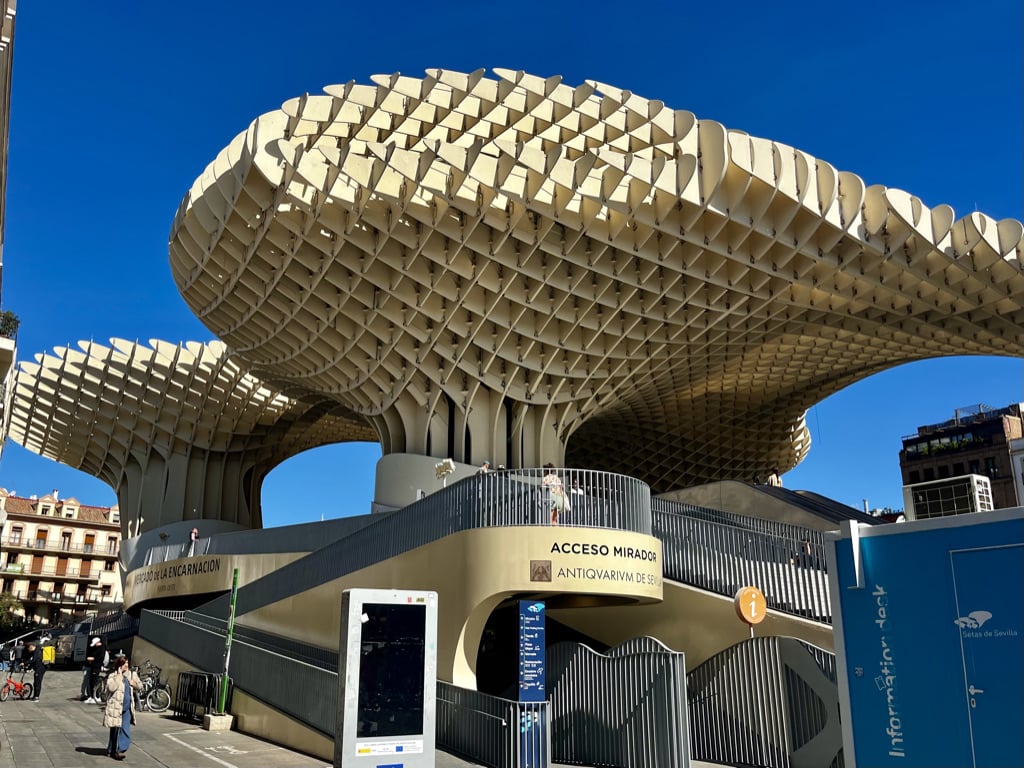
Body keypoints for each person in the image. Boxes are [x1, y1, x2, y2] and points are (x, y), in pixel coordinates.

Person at [103, 654, 143, 760]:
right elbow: (111, 688)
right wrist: (119, 676)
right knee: (115, 730)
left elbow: (140, 686)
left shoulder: (132, 675)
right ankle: (111, 749)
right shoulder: (113, 675)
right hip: (116, 708)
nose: (126, 665)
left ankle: (120, 750)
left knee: (125, 729)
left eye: (127, 663)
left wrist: (134, 684)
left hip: (127, 708)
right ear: (119, 665)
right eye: (124, 664)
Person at [83, 636, 106, 703]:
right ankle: (91, 696)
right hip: (93, 666)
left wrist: (93, 659)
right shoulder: (96, 648)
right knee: (91, 682)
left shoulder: (101, 649)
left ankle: (96, 697)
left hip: (96, 667)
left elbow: (101, 658)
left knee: (95, 682)